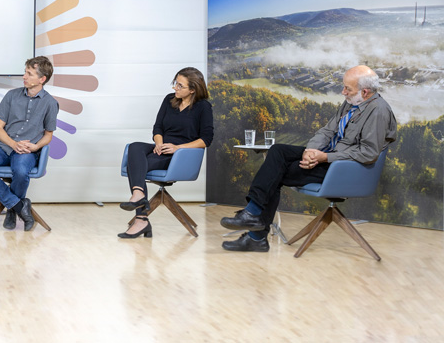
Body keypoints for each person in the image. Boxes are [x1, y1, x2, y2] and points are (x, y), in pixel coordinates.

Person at [219, 65, 397, 252]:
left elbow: (368, 153)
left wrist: (324, 157)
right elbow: (327, 131)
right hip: (327, 156)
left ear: (365, 92)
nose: (342, 92)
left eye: (347, 89)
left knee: (276, 173)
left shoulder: (378, 111)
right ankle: (252, 217)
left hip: (342, 168)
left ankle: (255, 232)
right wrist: (311, 150)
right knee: (277, 151)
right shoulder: (352, 102)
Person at [119, 67, 214, 239]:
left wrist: (178, 148)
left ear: (193, 89)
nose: (174, 88)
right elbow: (158, 127)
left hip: (179, 156)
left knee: (139, 165)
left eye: (180, 85)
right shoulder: (169, 100)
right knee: (135, 147)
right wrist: (159, 143)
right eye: (175, 83)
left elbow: (206, 139)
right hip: (161, 148)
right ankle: (139, 193)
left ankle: (141, 220)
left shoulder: (203, 107)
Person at [0, 56, 59, 231]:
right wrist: (13, 144)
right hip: (4, 146)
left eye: (29, 74)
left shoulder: (50, 103)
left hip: (27, 151)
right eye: (25, 72)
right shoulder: (11, 96)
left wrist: (35, 147)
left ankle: (12, 209)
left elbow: (48, 135)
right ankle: (18, 206)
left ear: (42, 79)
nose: (24, 77)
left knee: (20, 171)